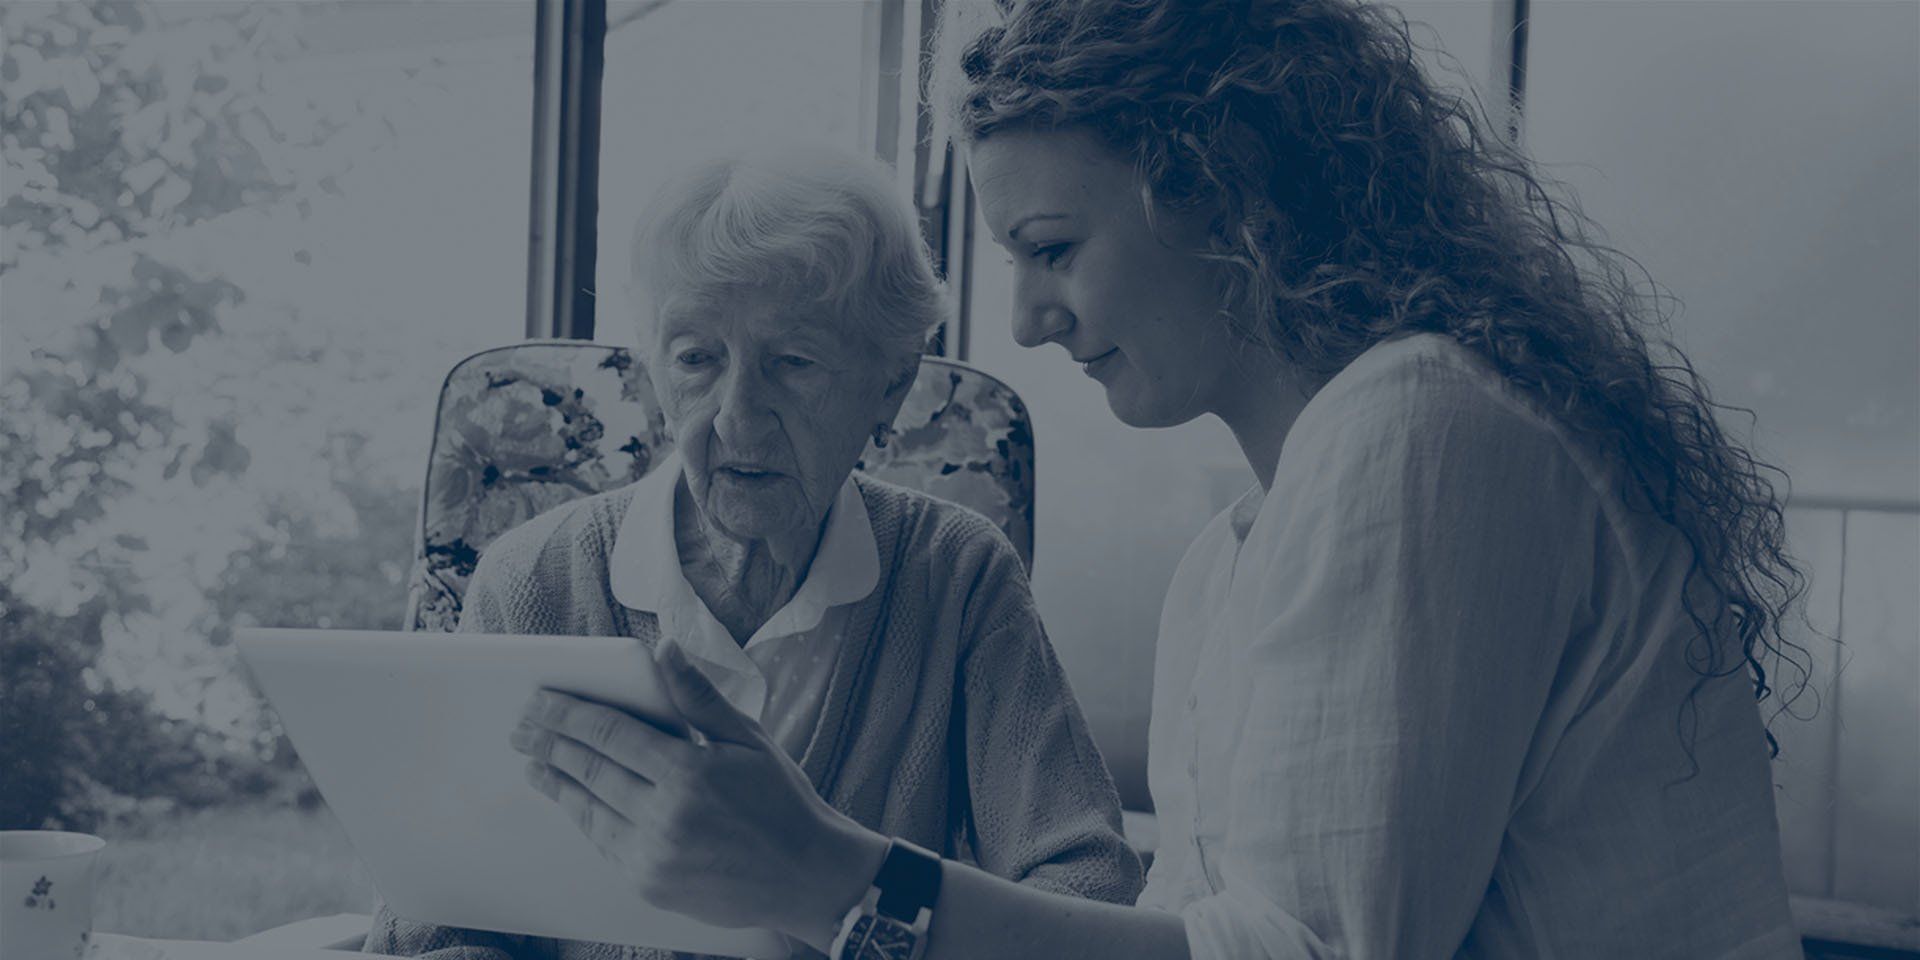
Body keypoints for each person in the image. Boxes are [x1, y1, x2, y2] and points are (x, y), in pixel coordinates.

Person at [504, 2, 1811, 958]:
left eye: (1052, 247)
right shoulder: (1234, 561)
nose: (1022, 322)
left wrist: (833, 882)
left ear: (1226, 191)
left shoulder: (1421, 431)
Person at [365, 145, 1143, 960]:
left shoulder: (958, 576)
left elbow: (1085, 885)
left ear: (891, 383)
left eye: (793, 363)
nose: (737, 416)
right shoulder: (531, 582)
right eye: (698, 358)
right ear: (655, 370)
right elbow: (439, 923)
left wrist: (858, 910)